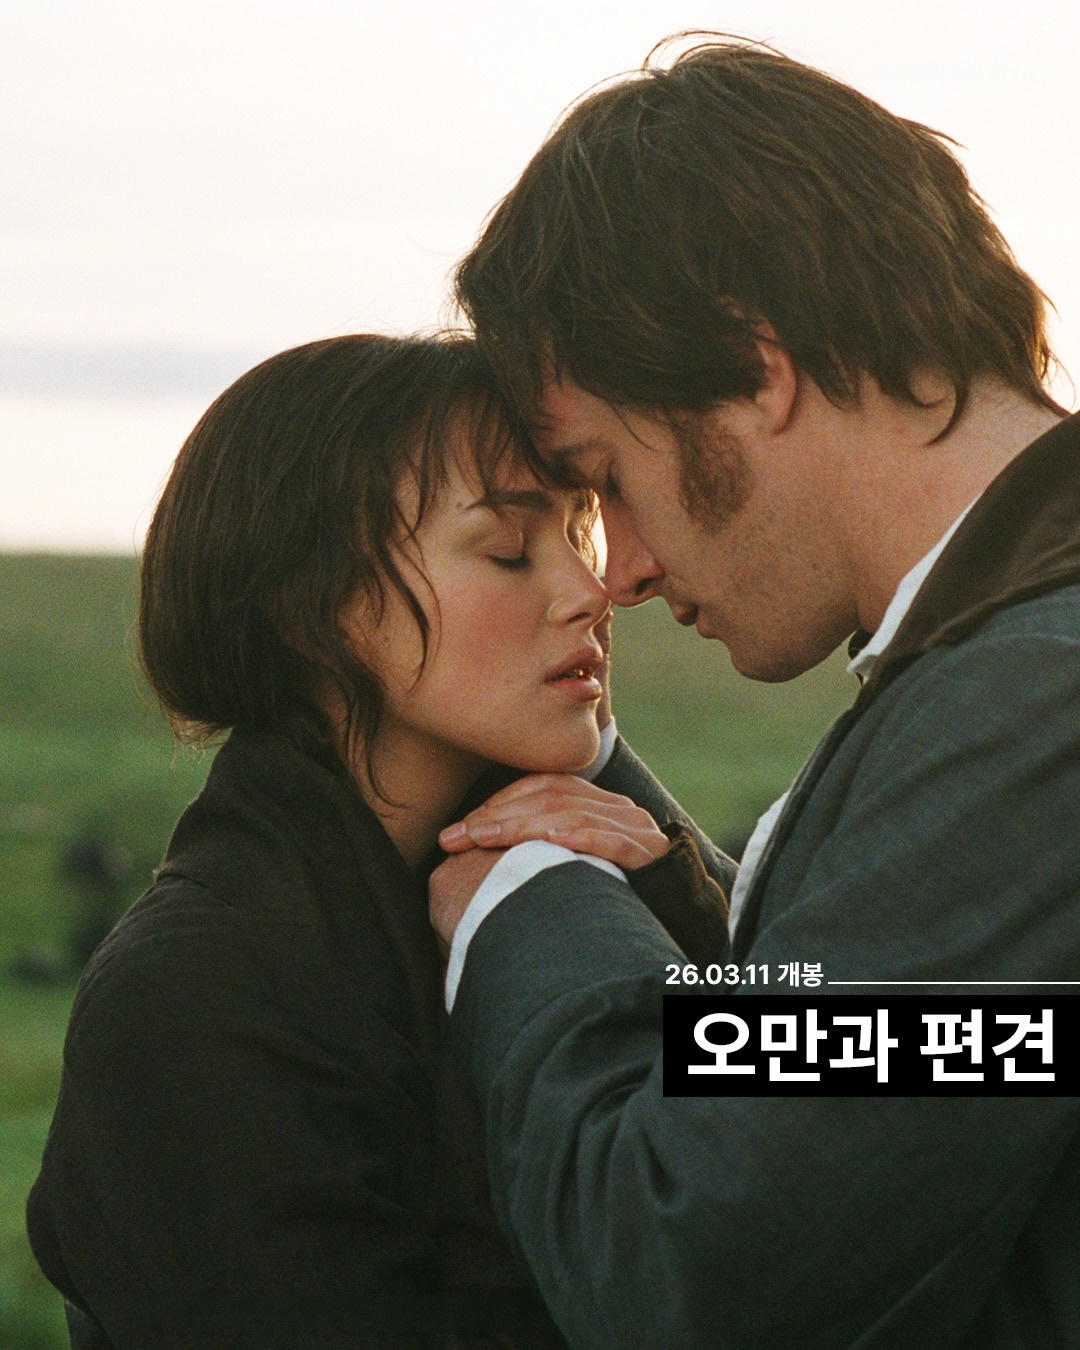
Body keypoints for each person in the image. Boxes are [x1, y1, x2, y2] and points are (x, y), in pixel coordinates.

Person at [427, 37, 1080, 1349]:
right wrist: (679, 892)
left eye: (607, 477)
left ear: (752, 365)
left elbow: (694, 1266)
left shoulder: (1036, 703)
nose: (623, 569)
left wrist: (528, 904)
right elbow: (976, 1068)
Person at [26, 334, 730, 1349]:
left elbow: (845, 1102)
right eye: (508, 548)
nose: (591, 590)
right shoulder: (192, 997)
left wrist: (674, 901)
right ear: (313, 609)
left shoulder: (572, 862)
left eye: (577, 534)